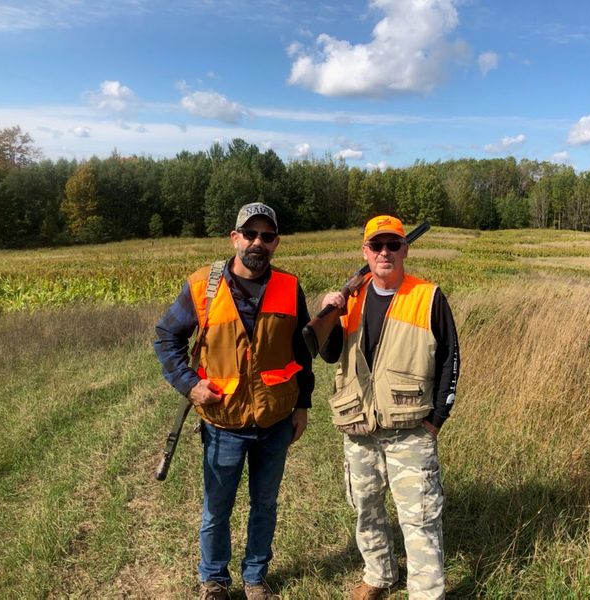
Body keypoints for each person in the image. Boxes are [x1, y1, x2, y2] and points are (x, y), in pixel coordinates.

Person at [154, 202, 314, 600]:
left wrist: (302, 404)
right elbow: (166, 338)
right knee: (217, 509)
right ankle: (214, 580)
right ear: (235, 237)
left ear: (276, 243)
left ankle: (256, 578)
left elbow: (302, 352)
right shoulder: (203, 286)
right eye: (251, 234)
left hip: (275, 419)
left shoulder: (290, 287)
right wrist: (189, 385)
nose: (258, 242)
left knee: (265, 505)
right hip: (223, 421)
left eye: (267, 236)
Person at [319, 215, 460, 600]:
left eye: (393, 245)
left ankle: (426, 593)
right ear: (365, 252)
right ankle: (378, 576)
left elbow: (450, 358)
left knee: (419, 518)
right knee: (366, 509)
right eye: (377, 246)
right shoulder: (351, 297)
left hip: (411, 429)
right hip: (359, 428)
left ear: (405, 250)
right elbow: (330, 355)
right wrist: (330, 310)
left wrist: (436, 420)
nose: (385, 252)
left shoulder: (428, 296)